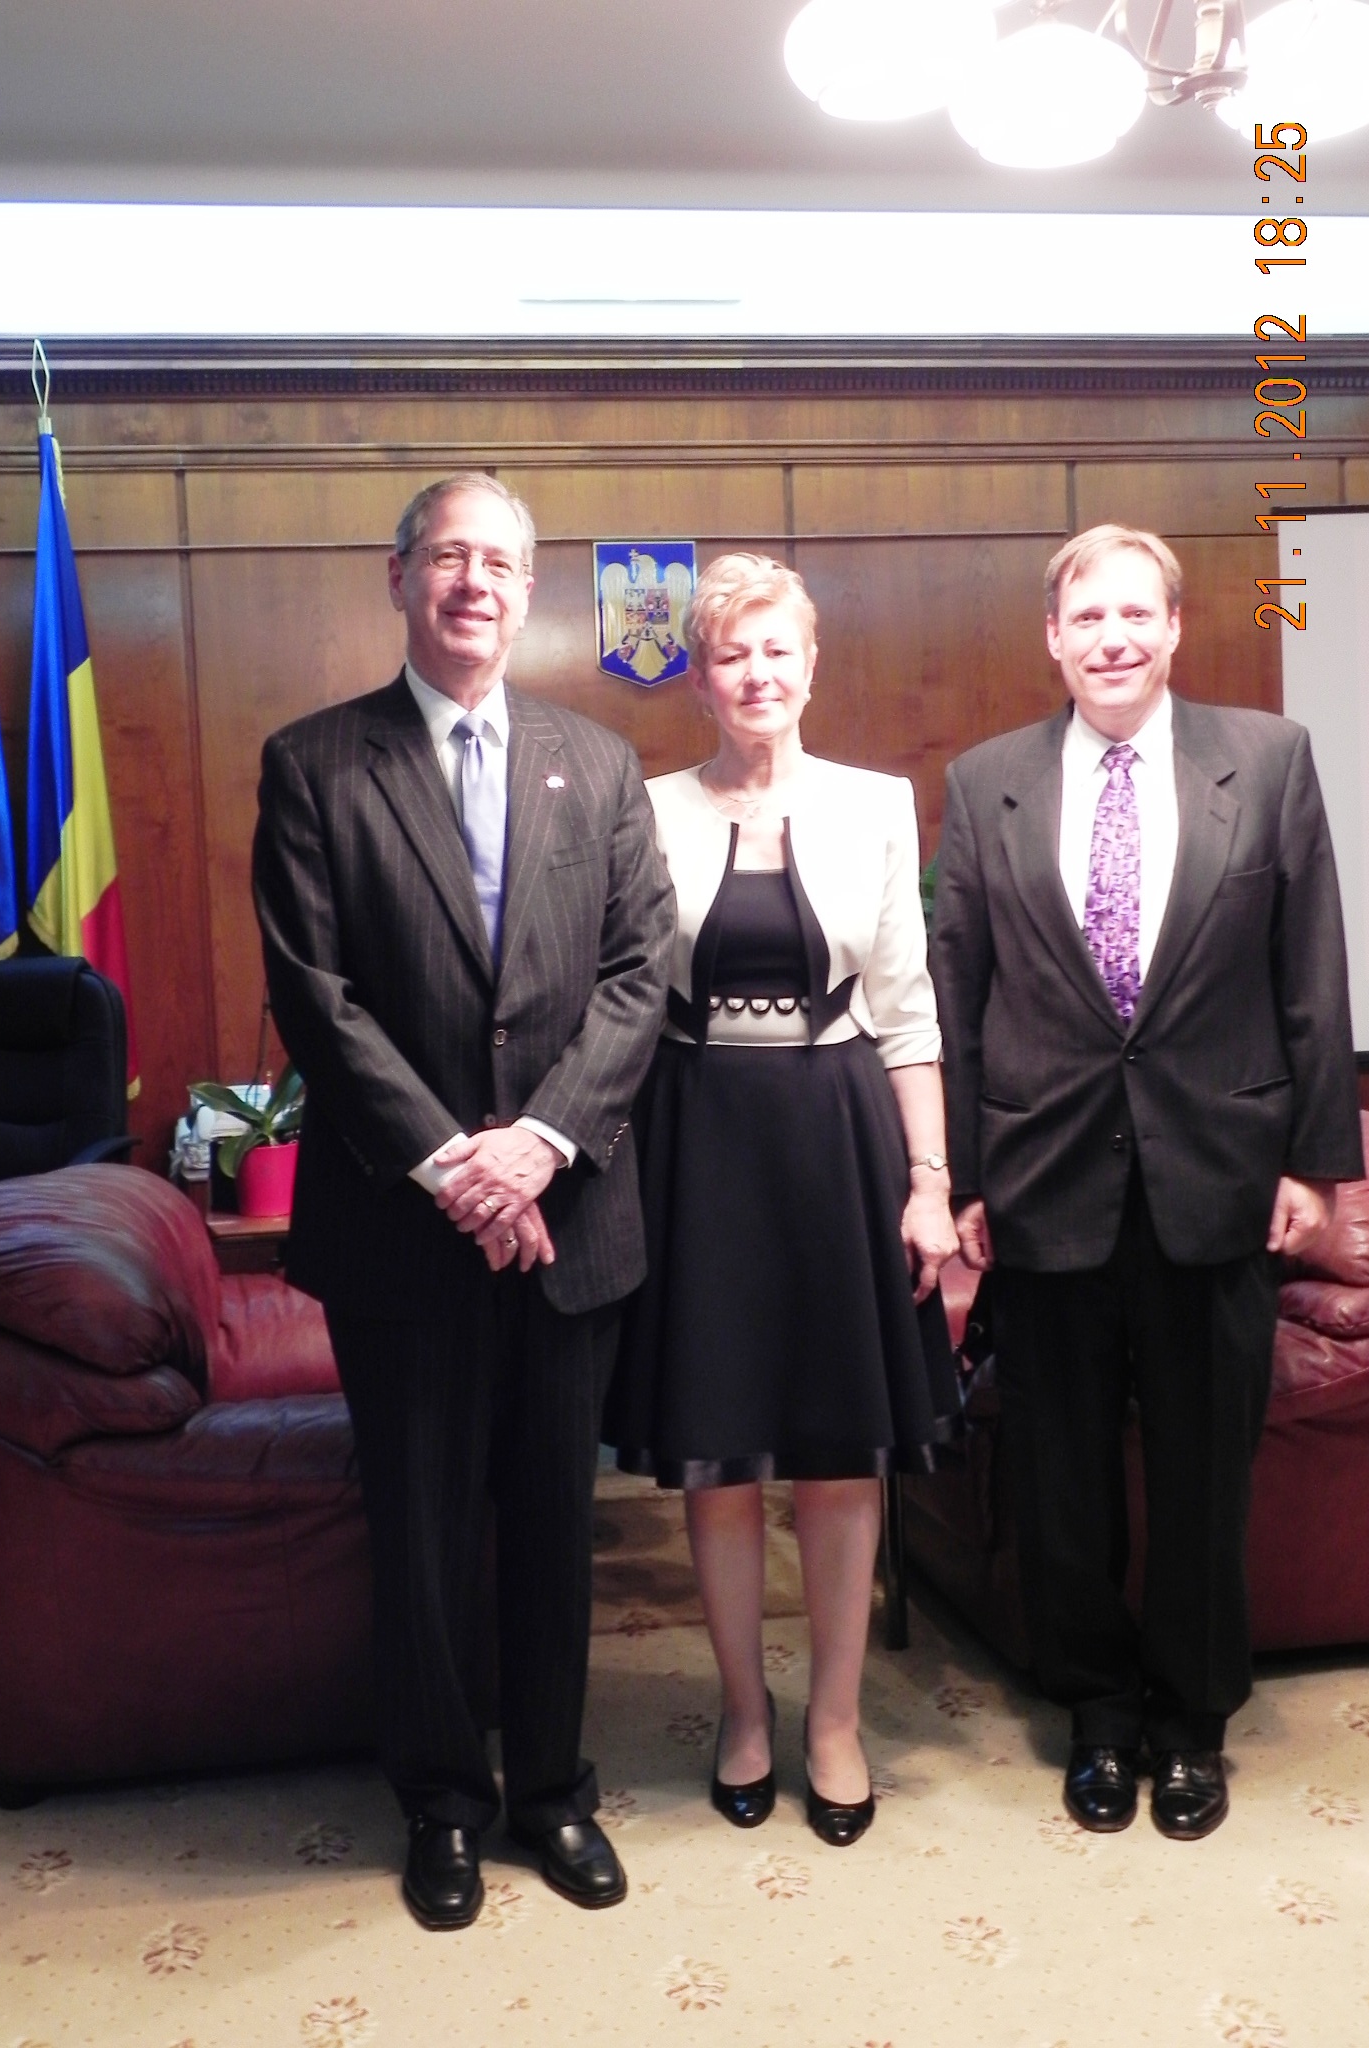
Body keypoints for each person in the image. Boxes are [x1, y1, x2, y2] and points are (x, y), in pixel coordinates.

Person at [252, 473, 674, 1930]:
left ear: (529, 587)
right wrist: (456, 1165)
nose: (473, 582)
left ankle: (552, 1791)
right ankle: (441, 1801)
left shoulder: (597, 762)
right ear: (401, 578)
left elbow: (641, 974)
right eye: (448, 556)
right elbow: (316, 996)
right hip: (399, 1228)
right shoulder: (315, 763)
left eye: (498, 561)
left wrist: (538, 1147)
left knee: (558, 1527)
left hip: (569, 1221)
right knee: (422, 1533)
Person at [930, 524, 1363, 1841]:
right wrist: (960, 1178)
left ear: (1175, 628)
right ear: (1052, 639)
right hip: (1043, 1180)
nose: (1112, 638)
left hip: (1218, 1177)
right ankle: (1099, 1719)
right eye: (1088, 617)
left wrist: (1316, 1162)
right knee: (1060, 1482)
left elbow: (1311, 968)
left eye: (1136, 614)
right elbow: (959, 994)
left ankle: (1191, 1728)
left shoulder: (1269, 760)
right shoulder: (986, 781)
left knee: (1202, 1480)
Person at [604, 553, 963, 1848]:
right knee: (718, 1449)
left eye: (777, 651)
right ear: (700, 680)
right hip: (697, 1140)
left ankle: (837, 1722)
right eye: (730, 655)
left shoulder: (877, 804)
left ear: (812, 666)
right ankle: (746, 1711)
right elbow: (620, 1000)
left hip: (836, 1134)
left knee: (836, 1448)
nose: (757, 674)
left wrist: (930, 1186)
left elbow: (908, 1013)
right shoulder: (645, 808)